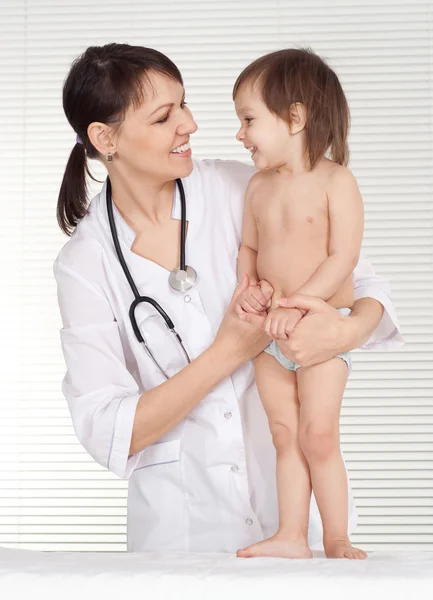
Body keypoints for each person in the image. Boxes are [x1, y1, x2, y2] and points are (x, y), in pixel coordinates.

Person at [53, 42, 403, 554]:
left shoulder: (248, 185)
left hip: (300, 521)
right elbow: (109, 430)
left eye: (185, 104)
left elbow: (365, 283)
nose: (190, 124)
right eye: (163, 116)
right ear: (106, 138)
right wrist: (229, 352)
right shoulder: (85, 262)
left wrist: (346, 330)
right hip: (184, 534)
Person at [232, 48, 379, 560]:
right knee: (283, 433)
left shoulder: (338, 181)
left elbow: (344, 258)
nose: (240, 134)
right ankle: (292, 535)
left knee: (319, 434)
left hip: (320, 327)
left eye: (249, 119)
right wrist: (247, 286)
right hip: (271, 335)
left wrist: (298, 302)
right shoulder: (257, 188)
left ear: (295, 116)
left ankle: (335, 536)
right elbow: (249, 250)